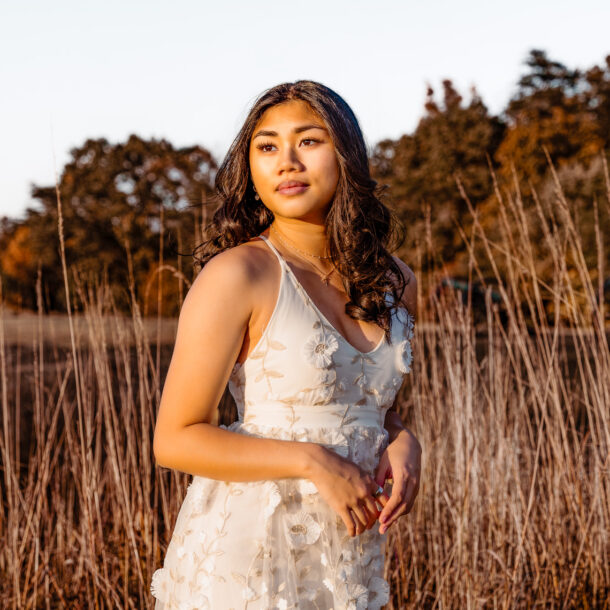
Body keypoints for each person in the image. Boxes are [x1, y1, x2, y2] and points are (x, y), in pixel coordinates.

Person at [150, 80, 421, 610]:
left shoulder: (395, 281)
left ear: (346, 156)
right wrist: (313, 462)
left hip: (347, 559)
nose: (287, 162)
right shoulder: (240, 273)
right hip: (248, 556)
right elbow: (175, 439)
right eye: (267, 146)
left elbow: (366, 408)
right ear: (250, 169)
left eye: (309, 141)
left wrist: (404, 438)